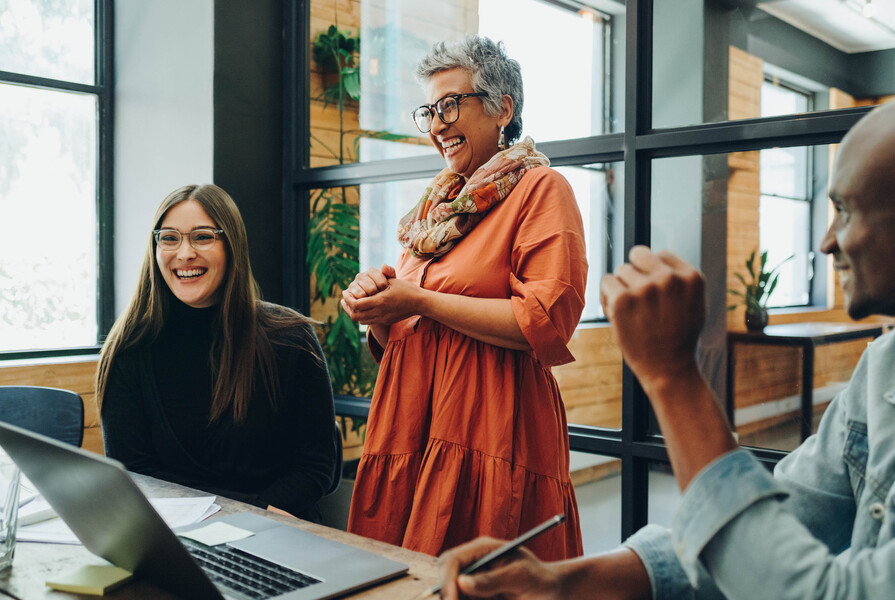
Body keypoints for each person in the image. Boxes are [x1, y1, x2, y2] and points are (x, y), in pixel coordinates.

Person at [434, 87, 895, 599]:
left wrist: (673, 379)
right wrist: (566, 581)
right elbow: (777, 517)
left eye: (845, 210)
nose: (825, 242)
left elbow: (812, 592)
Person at [340, 35, 586, 560]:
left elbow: (543, 322)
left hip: (491, 430)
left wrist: (419, 301)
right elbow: (402, 338)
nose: (436, 125)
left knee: (484, 577)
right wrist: (378, 308)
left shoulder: (541, 190)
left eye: (451, 104)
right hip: (411, 427)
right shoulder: (435, 211)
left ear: (503, 108)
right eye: (429, 110)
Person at [97, 184, 338, 522]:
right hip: (174, 536)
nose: (184, 254)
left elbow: (316, 469)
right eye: (169, 238)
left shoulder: (290, 337)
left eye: (202, 237)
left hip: (275, 530)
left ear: (232, 245)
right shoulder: (129, 348)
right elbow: (135, 473)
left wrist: (244, 518)